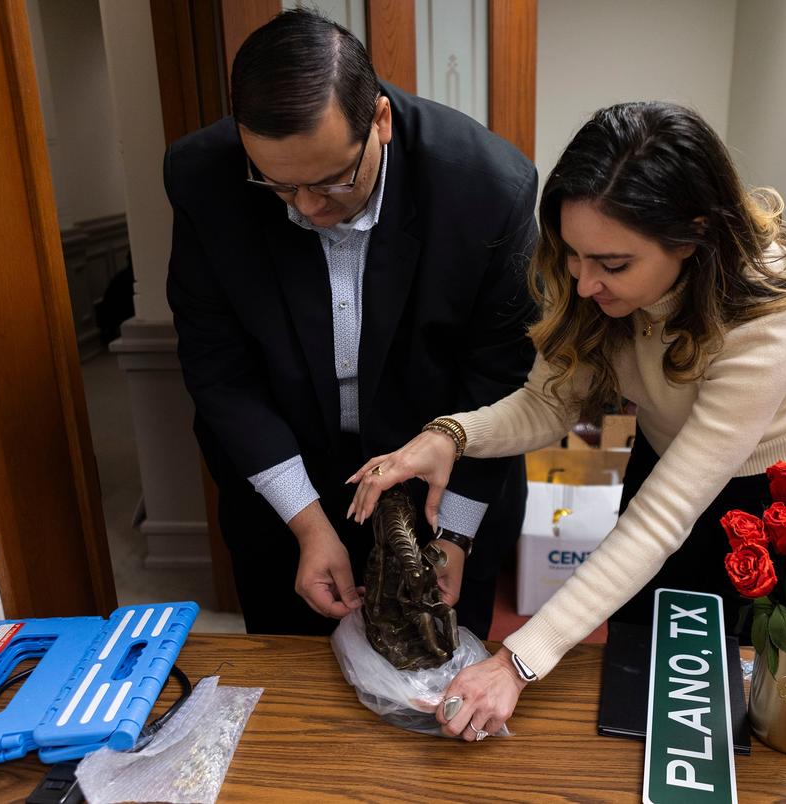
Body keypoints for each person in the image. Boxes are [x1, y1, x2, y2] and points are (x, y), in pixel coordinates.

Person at [348, 102, 786, 741]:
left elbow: (667, 516)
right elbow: (550, 401)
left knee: (756, 701)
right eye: (574, 256)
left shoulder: (769, 310)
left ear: (694, 234)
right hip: (671, 457)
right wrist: (450, 435)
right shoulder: (593, 272)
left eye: (612, 265)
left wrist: (518, 661)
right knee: (639, 669)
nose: (584, 285)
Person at [164, 9, 538, 638]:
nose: (308, 210)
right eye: (279, 187)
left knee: (434, 680)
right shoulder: (204, 178)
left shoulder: (485, 186)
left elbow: (500, 376)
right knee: (296, 689)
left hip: (440, 475)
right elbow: (218, 368)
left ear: (381, 122)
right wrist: (308, 522)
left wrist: (453, 535)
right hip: (283, 477)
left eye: (330, 182)